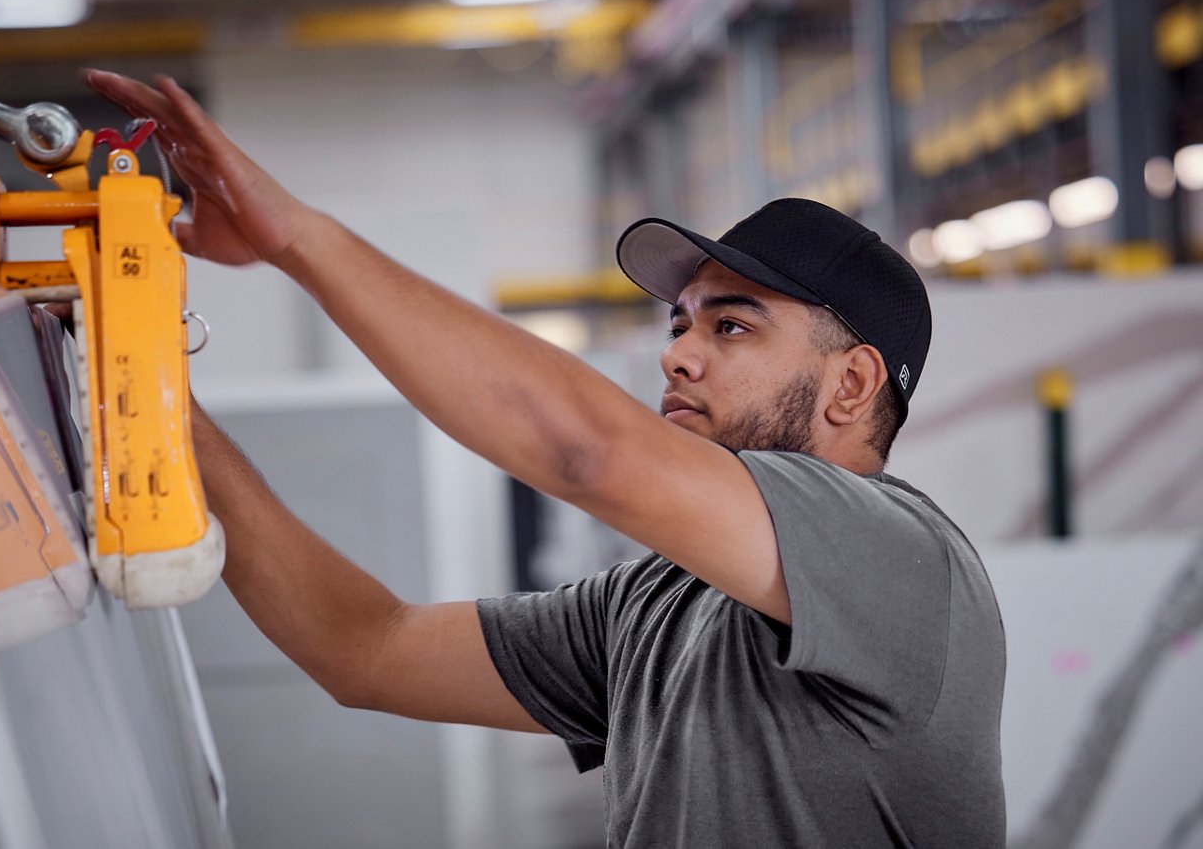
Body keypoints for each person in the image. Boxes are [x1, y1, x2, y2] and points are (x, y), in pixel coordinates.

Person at [84, 70, 1006, 847]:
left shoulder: (905, 561)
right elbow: (366, 649)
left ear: (852, 387)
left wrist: (299, 237)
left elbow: (586, 451)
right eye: (680, 324)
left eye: (732, 326)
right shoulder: (657, 601)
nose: (678, 354)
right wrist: (156, 391)